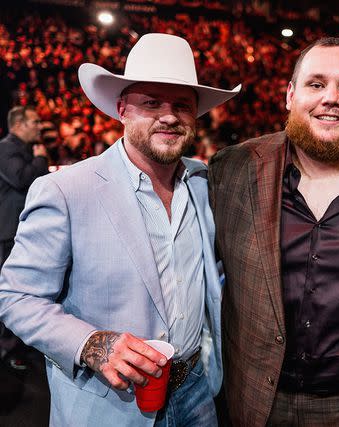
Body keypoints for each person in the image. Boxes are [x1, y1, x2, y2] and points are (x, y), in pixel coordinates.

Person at [0, 33, 240, 426]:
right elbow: (16, 295)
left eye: (182, 104)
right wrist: (91, 343)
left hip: (197, 393)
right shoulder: (66, 190)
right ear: (122, 109)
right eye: (151, 102)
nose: (168, 115)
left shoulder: (202, 183)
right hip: (109, 405)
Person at [209, 37, 339, 425]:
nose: (331, 97)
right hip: (258, 401)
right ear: (290, 95)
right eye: (316, 83)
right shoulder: (232, 171)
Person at [0, 106, 49, 371]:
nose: (39, 126)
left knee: (29, 289)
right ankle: (9, 350)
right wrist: (41, 159)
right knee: (12, 291)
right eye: (35, 121)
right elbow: (22, 179)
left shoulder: (23, 149)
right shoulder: (6, 147)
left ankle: (20, 344)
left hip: (22, 229)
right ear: (18, 124)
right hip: (9, 233)